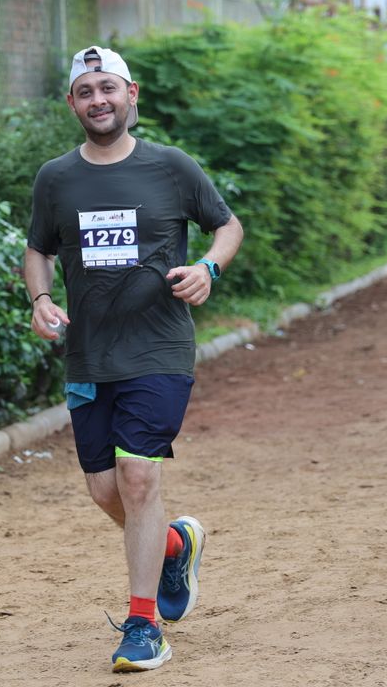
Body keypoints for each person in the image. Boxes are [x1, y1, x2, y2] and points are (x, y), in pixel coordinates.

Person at [23, 46, 244, 673]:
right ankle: (175, 544)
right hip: (89, 356)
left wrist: (208, 267)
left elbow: (226, 226)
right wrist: (40, 299)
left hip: (159, 347)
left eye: (108, 88)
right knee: (104, 490)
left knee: (138, 477)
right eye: (86, 91)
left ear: (132, 94)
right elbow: (37, 249)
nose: (98, 100)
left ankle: (144, 626)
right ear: (72, 103)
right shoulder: (56, 178)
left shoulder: (172, 168)